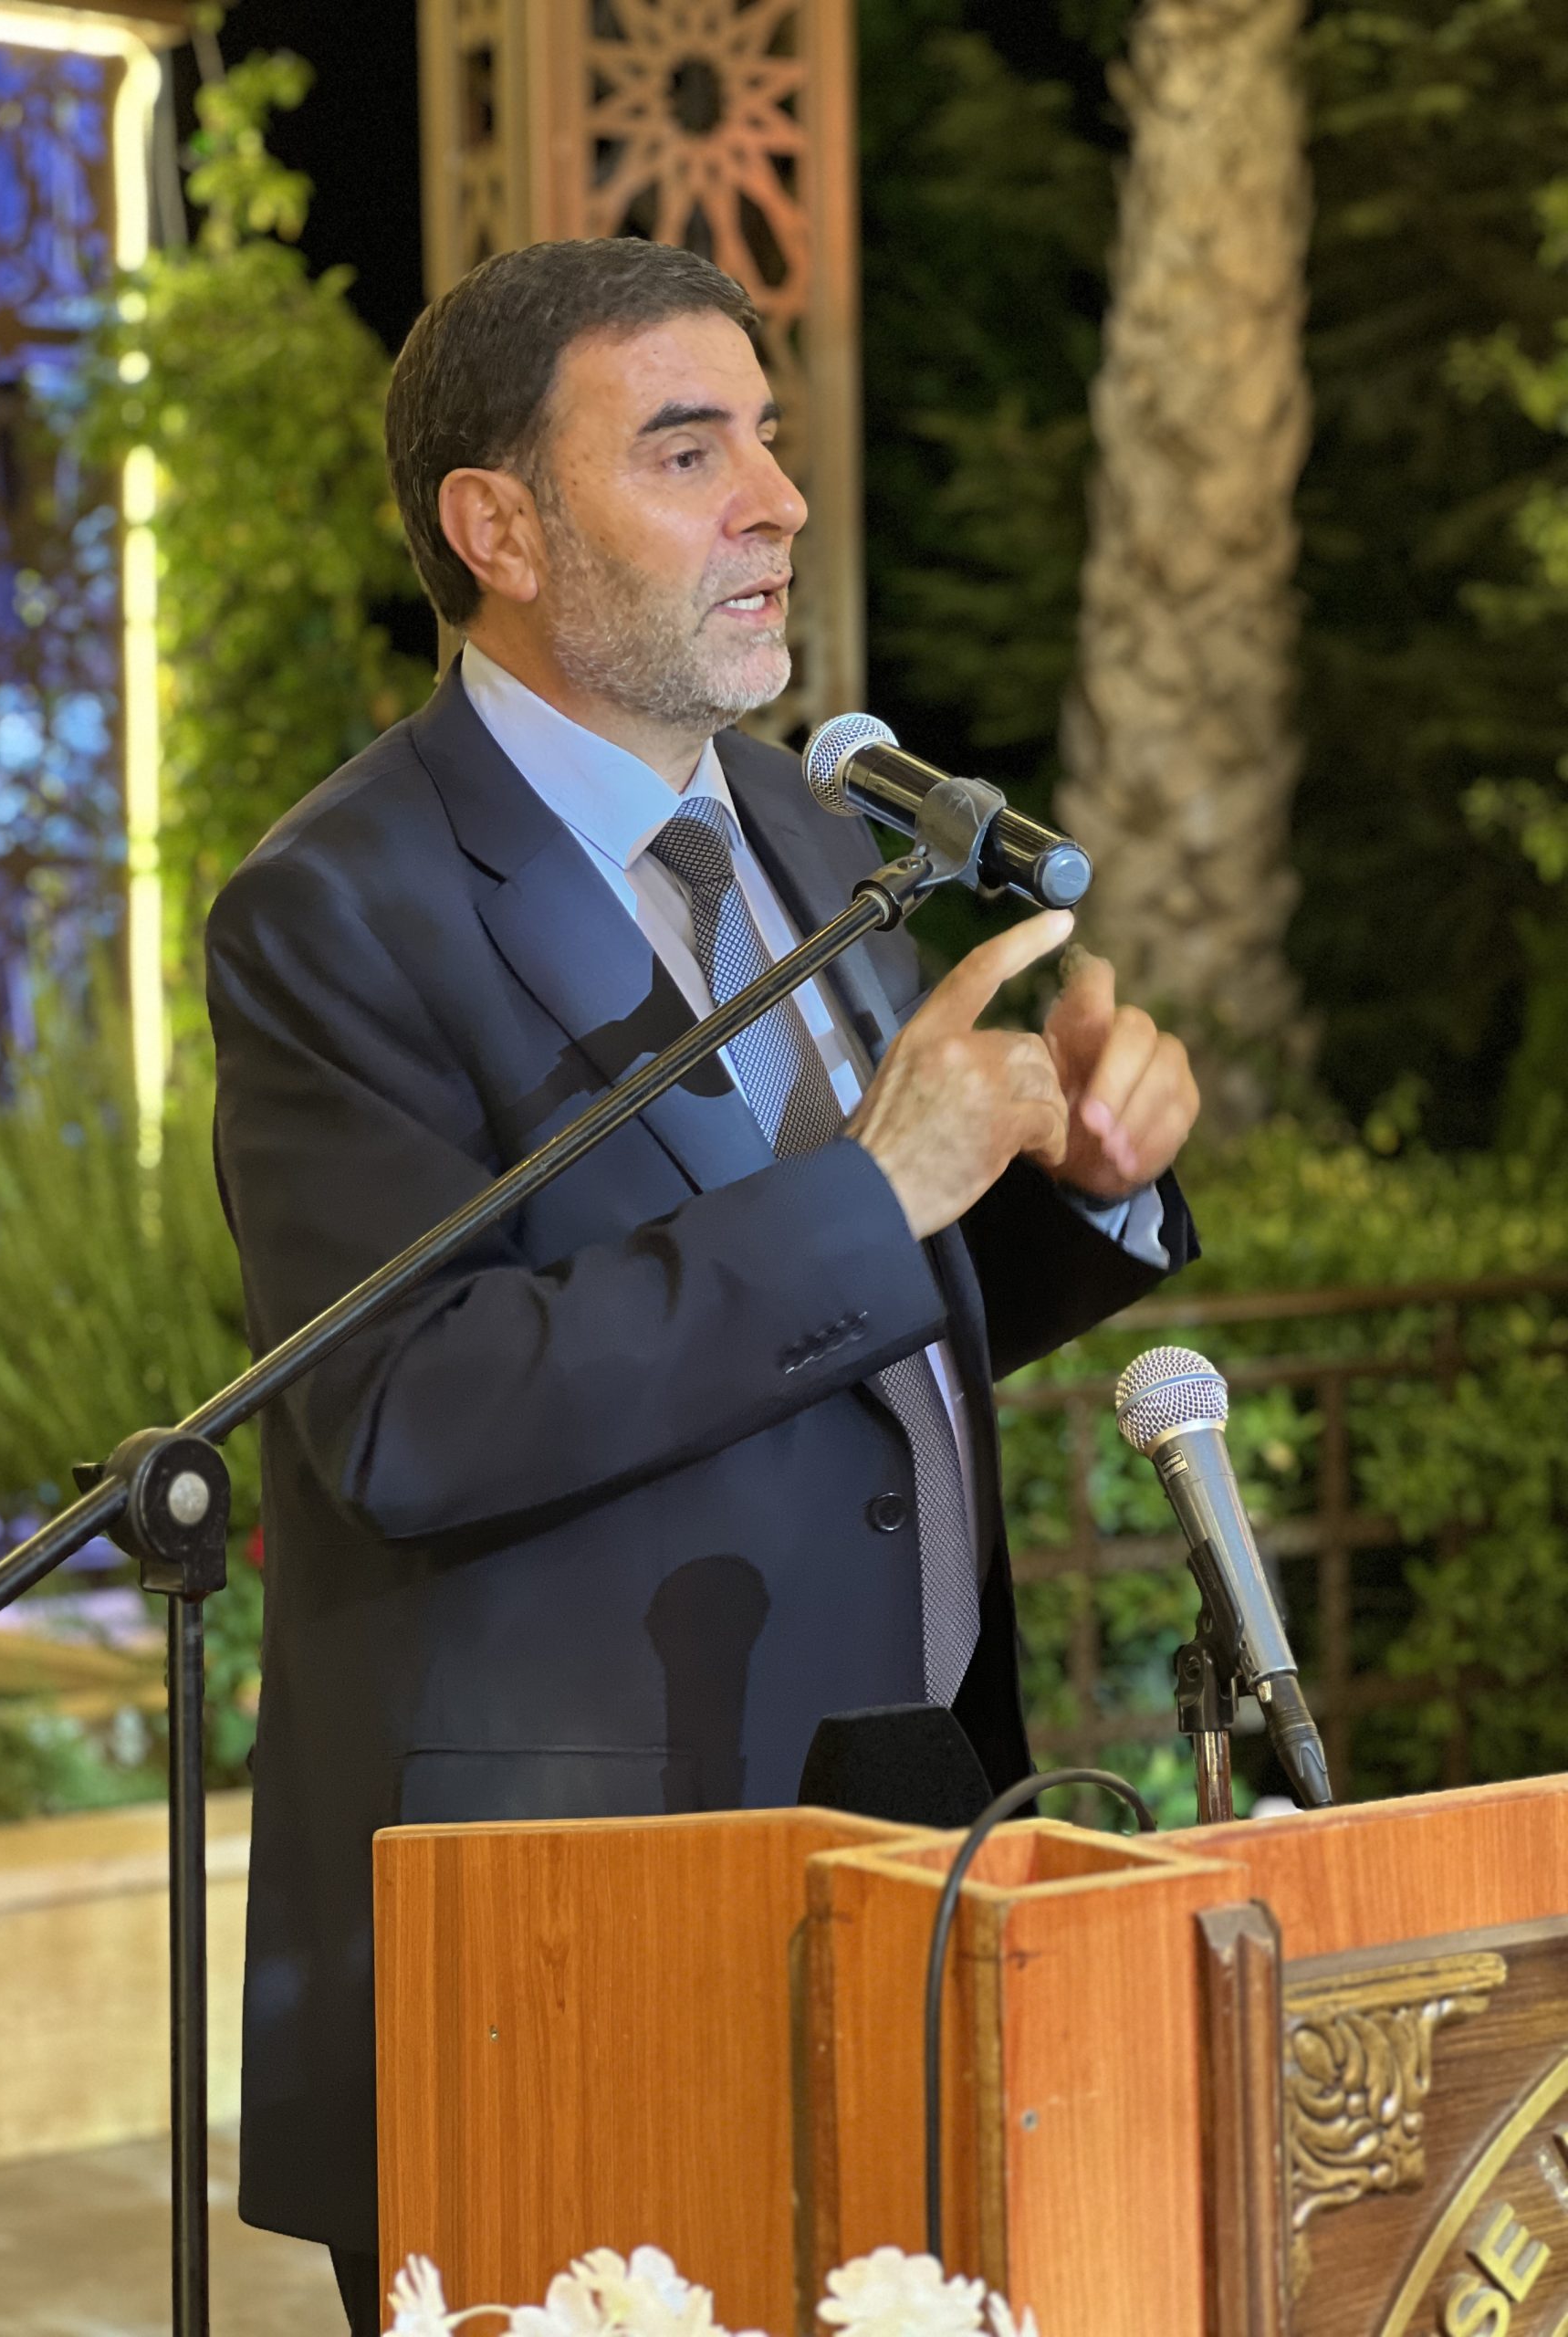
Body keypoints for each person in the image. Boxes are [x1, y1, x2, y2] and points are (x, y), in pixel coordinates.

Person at [205, 237, 1200, 2336]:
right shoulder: (341, 905)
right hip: (571, 1907)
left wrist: (1077, 1194)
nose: (778, 498)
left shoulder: (811, 833)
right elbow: (406, 1408)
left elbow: (840, 1336)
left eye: (765, 435)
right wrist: (877, 1189)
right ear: (499, 528)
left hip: (908, 1818)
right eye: (686, 450)